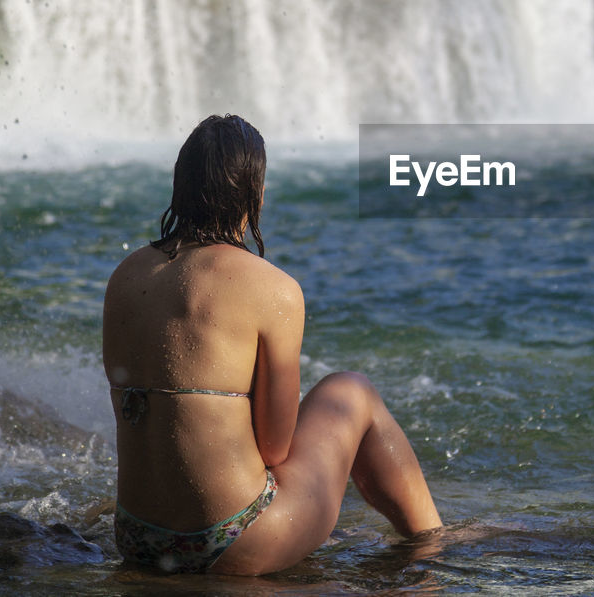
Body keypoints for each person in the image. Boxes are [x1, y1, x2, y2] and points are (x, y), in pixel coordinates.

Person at [102, 114, 441, 575]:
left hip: (138, 539)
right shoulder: (272, 289)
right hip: (233, 541)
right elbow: (276, 449)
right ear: (253, 193)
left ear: (180, 187)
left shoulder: (126, 276)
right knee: (352, 392)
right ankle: (431, 544)